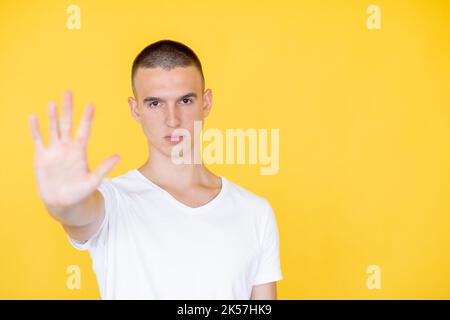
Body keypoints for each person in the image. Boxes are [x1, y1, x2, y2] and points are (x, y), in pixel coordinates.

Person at [28, 39, 282, 300]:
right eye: (155, 104)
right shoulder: (113, 202)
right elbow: (79, 215)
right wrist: (62, 205)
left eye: (185, 100)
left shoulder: (255, 212)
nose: (172, 119)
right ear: (135, 109)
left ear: (205, 103)